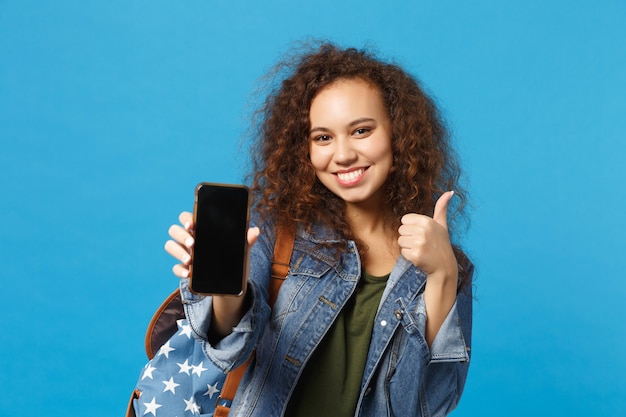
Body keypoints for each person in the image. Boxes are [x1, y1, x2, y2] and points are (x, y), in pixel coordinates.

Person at [164, 42, 473, 417]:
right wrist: (226, 286)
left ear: (398, 133)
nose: (342, 154)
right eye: (322, 137)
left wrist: (442, 275)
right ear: (303, 150)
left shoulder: (442, 260)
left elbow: (429, 405)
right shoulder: (277, 233)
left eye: (361, 131)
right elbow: (228, 350)